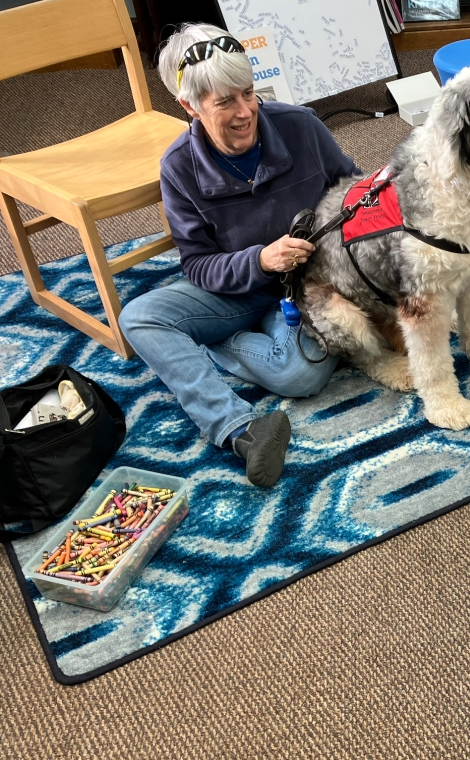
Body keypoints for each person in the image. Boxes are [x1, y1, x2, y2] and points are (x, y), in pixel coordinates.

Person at [119, 24, 361, 488]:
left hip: (313, 286)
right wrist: (260, 261)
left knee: (298, 378)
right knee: (140, 317)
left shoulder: (302, 126)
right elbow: (196, 264)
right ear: (189, 106)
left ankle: (204, 349)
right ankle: (240, 429)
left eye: (248, 93)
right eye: (224, 101)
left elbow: (354, 192)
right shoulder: (178, 167)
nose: (245, 111)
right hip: (237, 289)